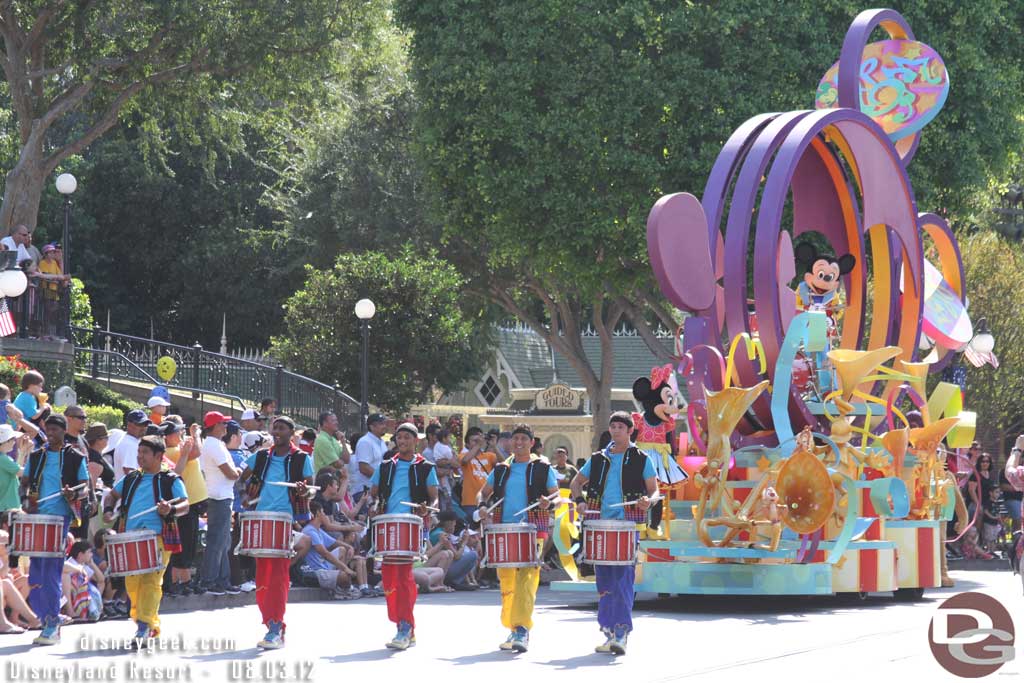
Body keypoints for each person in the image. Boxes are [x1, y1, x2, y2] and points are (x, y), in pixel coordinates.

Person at [570, 411, 658, 655]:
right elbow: (576, 482)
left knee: (623, 580)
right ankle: (609, 631)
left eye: (621, 426)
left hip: (628, 526)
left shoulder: (641, 458)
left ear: (630, 431)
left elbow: (654, 490)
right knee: (604, 582)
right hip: (598, 525)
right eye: (613, 426)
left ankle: (621, 630)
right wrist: (579, 501)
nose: (616, 430)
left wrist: (647, 502)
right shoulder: (598, 459)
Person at [476, 423, 558, 653]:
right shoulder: (502, 469)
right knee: (507, 581)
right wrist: (483, 505)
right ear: (511, 442)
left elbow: (556, 496)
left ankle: (522, 629)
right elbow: (483, 491)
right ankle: (513, 627)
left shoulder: (542, 467)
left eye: (524, 439)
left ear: (532, 443)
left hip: (533, 529)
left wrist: (548, 502)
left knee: (527, 580)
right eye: (516, 439)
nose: (519, 442)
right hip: (505, 530)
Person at [103, 435, 188, 643]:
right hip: (130, 536)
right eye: (138, 452)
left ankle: (143, 625)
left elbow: (185, 504)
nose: (139, 457)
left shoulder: (171, 479)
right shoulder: (132, 478)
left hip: (158, 536)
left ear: (159, 456)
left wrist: (171, 509)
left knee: (152, 581)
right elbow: (112, 495)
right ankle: (148, 624)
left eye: (145, 453)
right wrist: (107, 509)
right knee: (132, 584)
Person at [238, 416, 314, 649]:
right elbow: (242, 480)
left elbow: (310, 491)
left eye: (282, 428)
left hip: (284, 519)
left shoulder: (301, 458)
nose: (277, 431)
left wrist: (303, 491)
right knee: (262, 576)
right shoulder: (261, 456)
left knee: (278, 575)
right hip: (261, 518)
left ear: (292, 432)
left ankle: (276, 626)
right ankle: (271, 624)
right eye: (275, 428)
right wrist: (245, 495)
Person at [368, 422, 439, 651]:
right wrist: (373, 505)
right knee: (389, 578)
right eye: (399, 438)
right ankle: (404, 625)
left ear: (415, 440)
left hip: (411, 525)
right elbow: (374, 494)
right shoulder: (386, 466)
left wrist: (427, 508)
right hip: (387, 525)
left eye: (407, 437)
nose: (402, 441)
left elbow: (434, 499)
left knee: (404, 576)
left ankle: (405, 626)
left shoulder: (426, 467)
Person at [22, 414, 89, 645]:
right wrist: (25, 500)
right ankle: (48, 618)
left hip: (59, 520)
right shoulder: (36, 456)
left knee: (51, 571)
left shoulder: (75, 457)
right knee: (36, 575)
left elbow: (85, 488)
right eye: (47, 429)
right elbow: (26, 482)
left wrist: (74, 493)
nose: (49, 433)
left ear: (63, 431)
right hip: (36, 518)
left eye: (54, 430)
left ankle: (52, 622)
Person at [198, 411, 240, 596]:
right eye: (223, 424)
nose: (225, 427)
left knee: (223, 541)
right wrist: (238, 471)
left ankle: (222, 580)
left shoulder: (214, 444)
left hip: (221, 496)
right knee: (217, 541)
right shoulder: (214, 445)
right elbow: (231, 473)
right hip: (219, 497)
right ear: (215, 426)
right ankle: (210, 580)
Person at [162, 418, 205, 596]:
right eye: (177, 432)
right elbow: (196, 452)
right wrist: (196, 434)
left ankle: (184, 580)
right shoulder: (170, 450)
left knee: (188, 543)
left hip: (193, 503)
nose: (180, 434)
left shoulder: (178, 447)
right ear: (167, 436)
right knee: (184, 544)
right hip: (183, 503)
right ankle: (181, 580)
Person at [429, 510, 479, 590]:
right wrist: (464, 542)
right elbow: (457, 556)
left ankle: (459, 582)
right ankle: (455, 582)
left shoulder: (436, 532)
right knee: (473, 555)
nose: (455, 525)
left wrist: (461, 542)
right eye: (454, 522)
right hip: (438, 570)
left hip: (437, 569)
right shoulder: (442, 535)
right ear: (448, 523)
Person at [458, 429, 497, 520]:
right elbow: (464, 461)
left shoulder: (489, 456)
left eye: (479, 440)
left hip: (488, 500)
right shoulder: (462, 455)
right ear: (467, 444)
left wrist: (495, 446)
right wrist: (478, 445)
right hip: (470, 502)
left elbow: (504, 464)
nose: (477, 442)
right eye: (474, 441)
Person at [353, 413, 388, 504]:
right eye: (381, 424)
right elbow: (364, 468)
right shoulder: (365, 442)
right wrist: (383, 479)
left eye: (384, 423)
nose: (384, 426)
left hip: (376, 491)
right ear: (372, 427)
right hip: (364, 493)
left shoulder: (382, 442)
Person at [112, 409, 150, 476]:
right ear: (129, 425)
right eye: (140, 424)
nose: (143, 427)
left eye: (145, 424)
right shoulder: (130, 445)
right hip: (128, 486)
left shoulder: (131, 441)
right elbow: (130, 473)